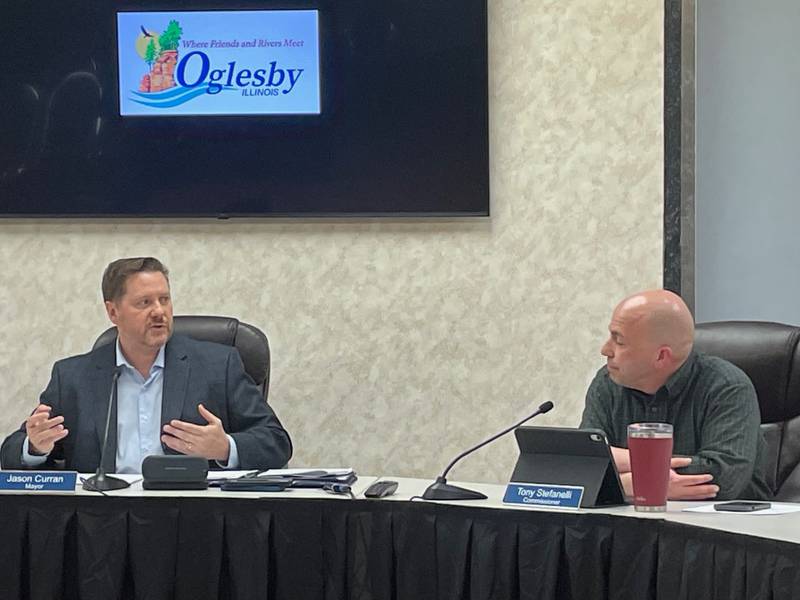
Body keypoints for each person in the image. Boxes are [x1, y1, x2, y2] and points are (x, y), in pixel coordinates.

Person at [0, 257, 292, 473]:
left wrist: (225, 447)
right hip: (102, 522)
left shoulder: (218, 366)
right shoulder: (74, 377)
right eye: (144, 303)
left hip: (192, 518)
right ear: (113, 312)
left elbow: (276, 442)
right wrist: (36, 446)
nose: (159, 312)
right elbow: (12, 451)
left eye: (164, 300)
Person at [580, 289, 771, 501]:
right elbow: (584, 462)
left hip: (719, 528)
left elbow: (723, 478)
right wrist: (642, 481)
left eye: (619, 341)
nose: (605, 349)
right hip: (629, 526)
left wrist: (626, 479)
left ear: (661, 356)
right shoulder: (608, 383)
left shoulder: (727, 387)